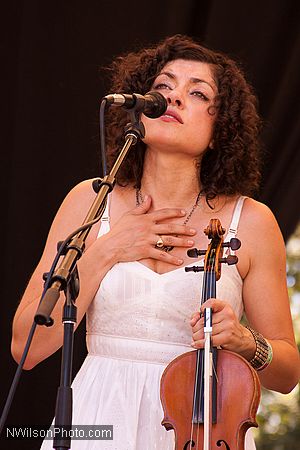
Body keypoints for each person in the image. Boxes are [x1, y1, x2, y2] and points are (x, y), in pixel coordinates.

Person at [11, 34, 299, 450]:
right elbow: (27, 347)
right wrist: (110, 248)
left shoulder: (251, 221)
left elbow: (287, 374)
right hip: (96, 421)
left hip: (202, 427)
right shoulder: (89, 200)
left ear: (221, 130)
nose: (174, 98)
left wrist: (242, 341)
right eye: (163, 87)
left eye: (197, 93)